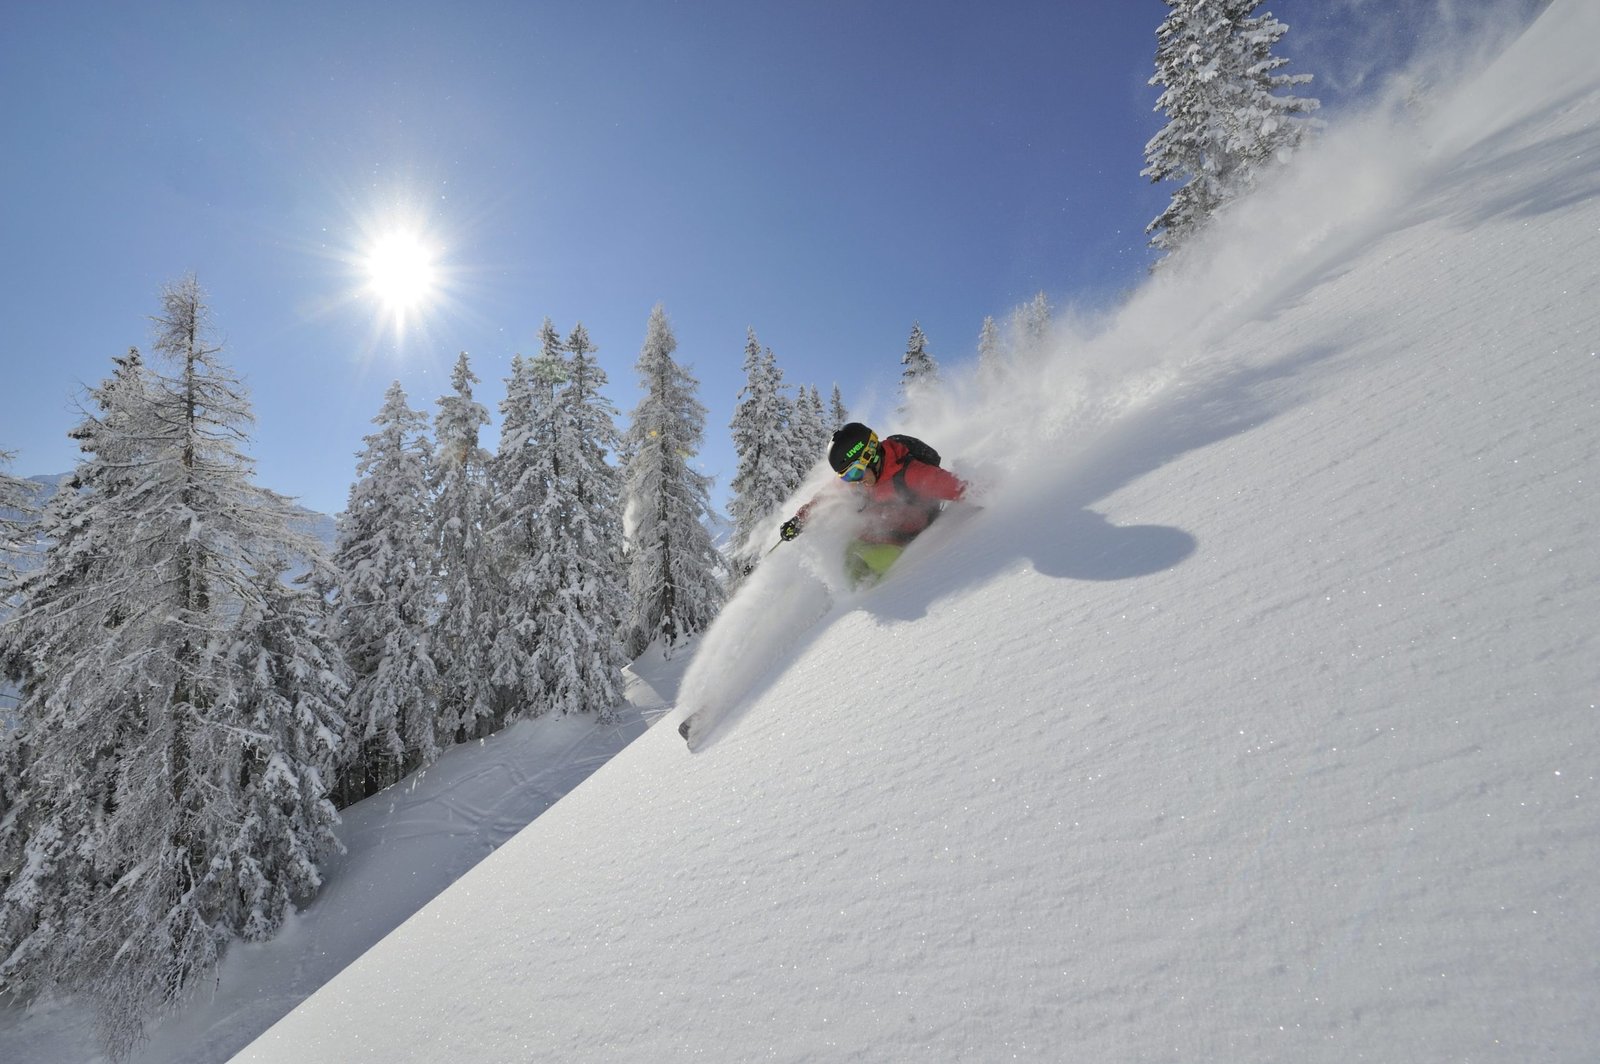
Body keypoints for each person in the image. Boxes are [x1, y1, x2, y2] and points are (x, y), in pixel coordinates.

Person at [779, 422, 967, 584]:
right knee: (841, 553)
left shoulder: (911, 474)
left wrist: (978, 493)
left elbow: (961, 488)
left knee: (857, 567)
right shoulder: (860, 480)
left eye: (855, 472)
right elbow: (826, 498)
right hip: (880, 533)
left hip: (907, 540)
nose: (855, 481)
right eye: (847, 477)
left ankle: (872, 599)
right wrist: (800, 519)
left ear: (870, 455)